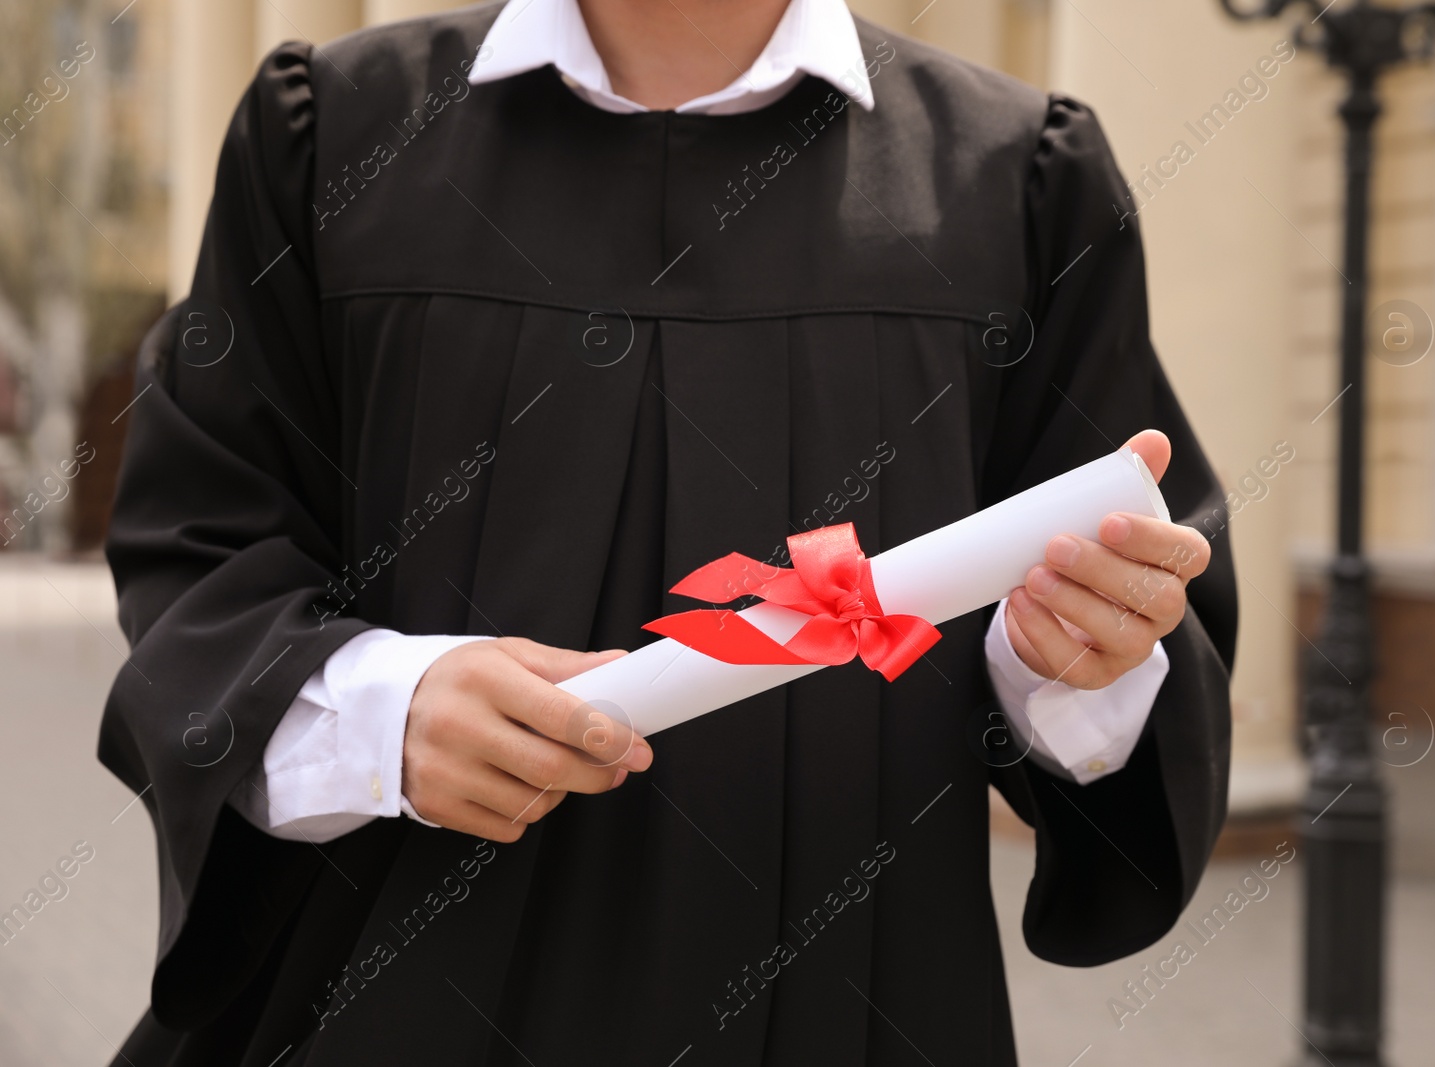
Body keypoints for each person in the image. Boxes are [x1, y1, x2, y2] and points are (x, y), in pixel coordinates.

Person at [100, 0, 1236, 1063]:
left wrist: (1076, 657)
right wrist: (376, 710)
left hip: (848, 992)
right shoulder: (335, 136)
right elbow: (205, 542)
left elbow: (1128, 619)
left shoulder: (1016, 181)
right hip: (396, 989)